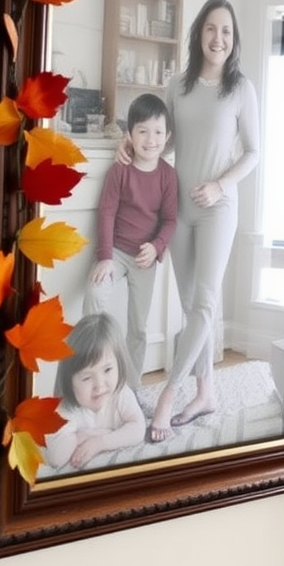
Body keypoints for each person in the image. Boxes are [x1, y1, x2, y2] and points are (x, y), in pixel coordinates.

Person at [147, 0, 260, 443]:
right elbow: (166, 141)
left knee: (205, 303)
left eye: (227, 32)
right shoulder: (179, 85)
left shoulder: (241, 89)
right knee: (193, 304)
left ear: (233, 41)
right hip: (180, 208)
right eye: (212, 29)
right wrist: (132, 145)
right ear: (199, 34)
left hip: (218, 209)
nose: (219, 38)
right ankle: (207, 391)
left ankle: (169, 395)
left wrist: (219, 185)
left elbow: (253, 152)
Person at [82, 93, 178, 386]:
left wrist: (157, 246)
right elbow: (107, 212)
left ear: (167, 136)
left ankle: (133, 388)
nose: (151, 139)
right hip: (116, 252)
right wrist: (105, 257)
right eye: (143, 131)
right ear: (130, 135)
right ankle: (92, 369)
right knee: (95, 295)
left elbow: (170, 219)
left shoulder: (168, 176)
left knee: (138, 326)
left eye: (158, 132)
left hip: (145, 258)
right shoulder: (119, 170)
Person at [44, 313, 146, 470]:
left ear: (119, 364)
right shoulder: (66, 409)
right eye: (86, 378)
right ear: (69, 382)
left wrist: (101, 441)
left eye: (107, 370)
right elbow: (56, 458)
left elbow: (138, 429)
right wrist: (82, 437)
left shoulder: (121, 393)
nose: (99, 385)